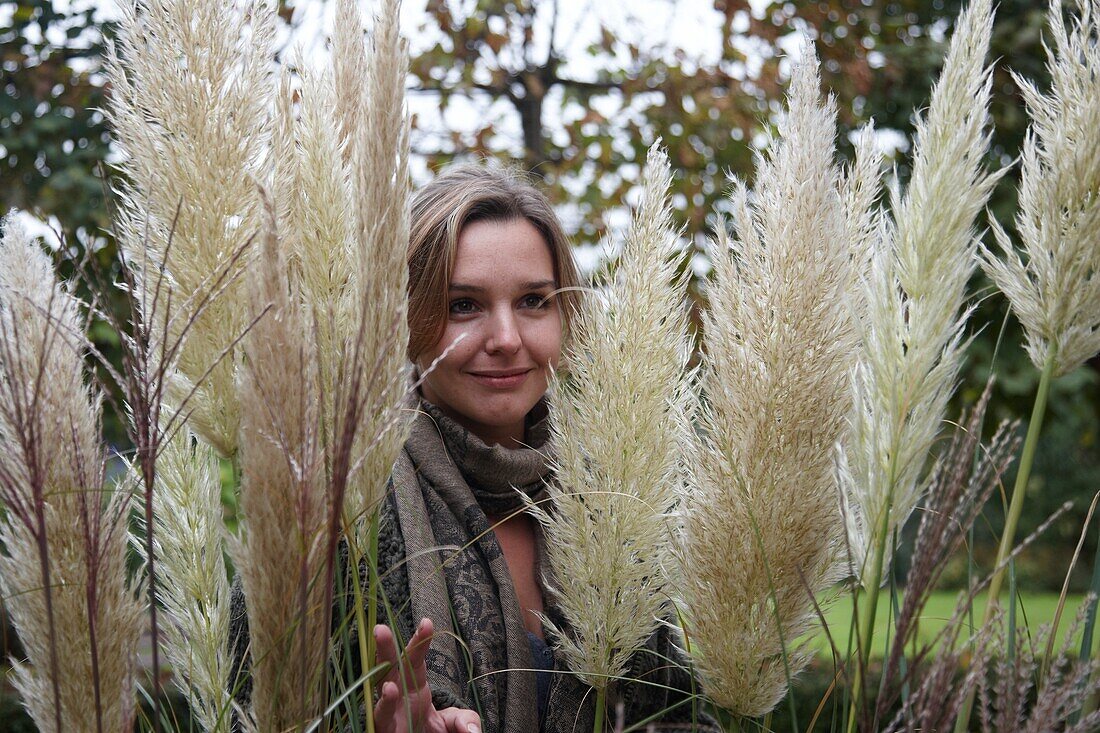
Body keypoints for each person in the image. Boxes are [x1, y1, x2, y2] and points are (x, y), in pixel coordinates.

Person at [231, 163, 714, 732]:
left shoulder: (608, 497)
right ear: (406, 316)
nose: (507, 339)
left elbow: (676, 716)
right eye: (464, 305)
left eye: (534, 300)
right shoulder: (338, 503)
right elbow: (249, 710)